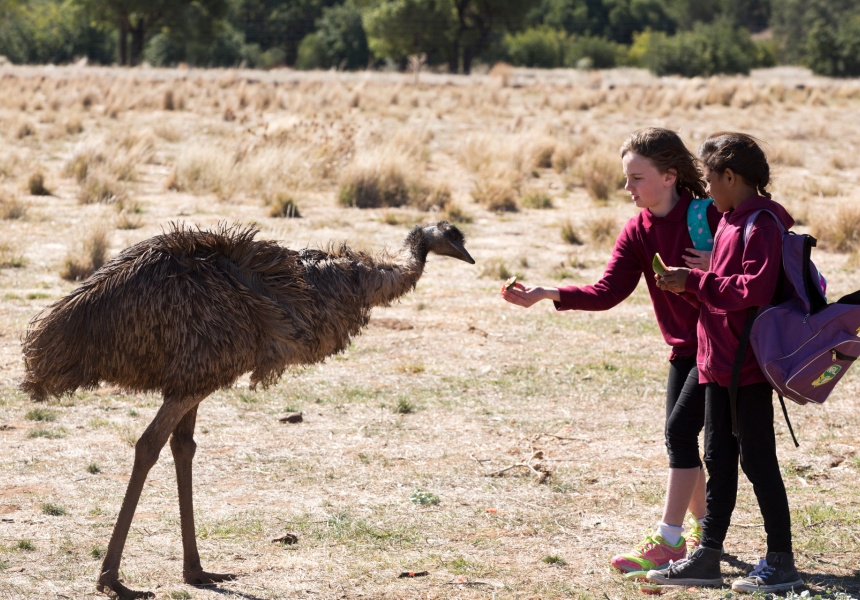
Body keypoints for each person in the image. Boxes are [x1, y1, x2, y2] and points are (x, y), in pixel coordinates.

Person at [501, 127, 719, 573]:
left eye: (637, 178)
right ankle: (706, 532)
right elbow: (607, 291)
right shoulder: (638, 229)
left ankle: (670, 539)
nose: (627, 188)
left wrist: (714, 266)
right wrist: (548, 293)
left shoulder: (710, 217)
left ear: (669, 176)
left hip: (721, 346)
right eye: (626, 178)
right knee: (682, 438)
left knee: (680, 435)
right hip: (683, 350)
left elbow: (751, 273)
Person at [648, 132, 802, 593]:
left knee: (758, 462)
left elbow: (750, 290)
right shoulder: (733, 220)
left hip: (748, 369)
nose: (707, 189)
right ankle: (707, 557)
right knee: (718, 458)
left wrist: (694, 281)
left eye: (712, 179)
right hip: (717, 364)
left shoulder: (763, 225)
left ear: (732, 177)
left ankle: (782, 562)